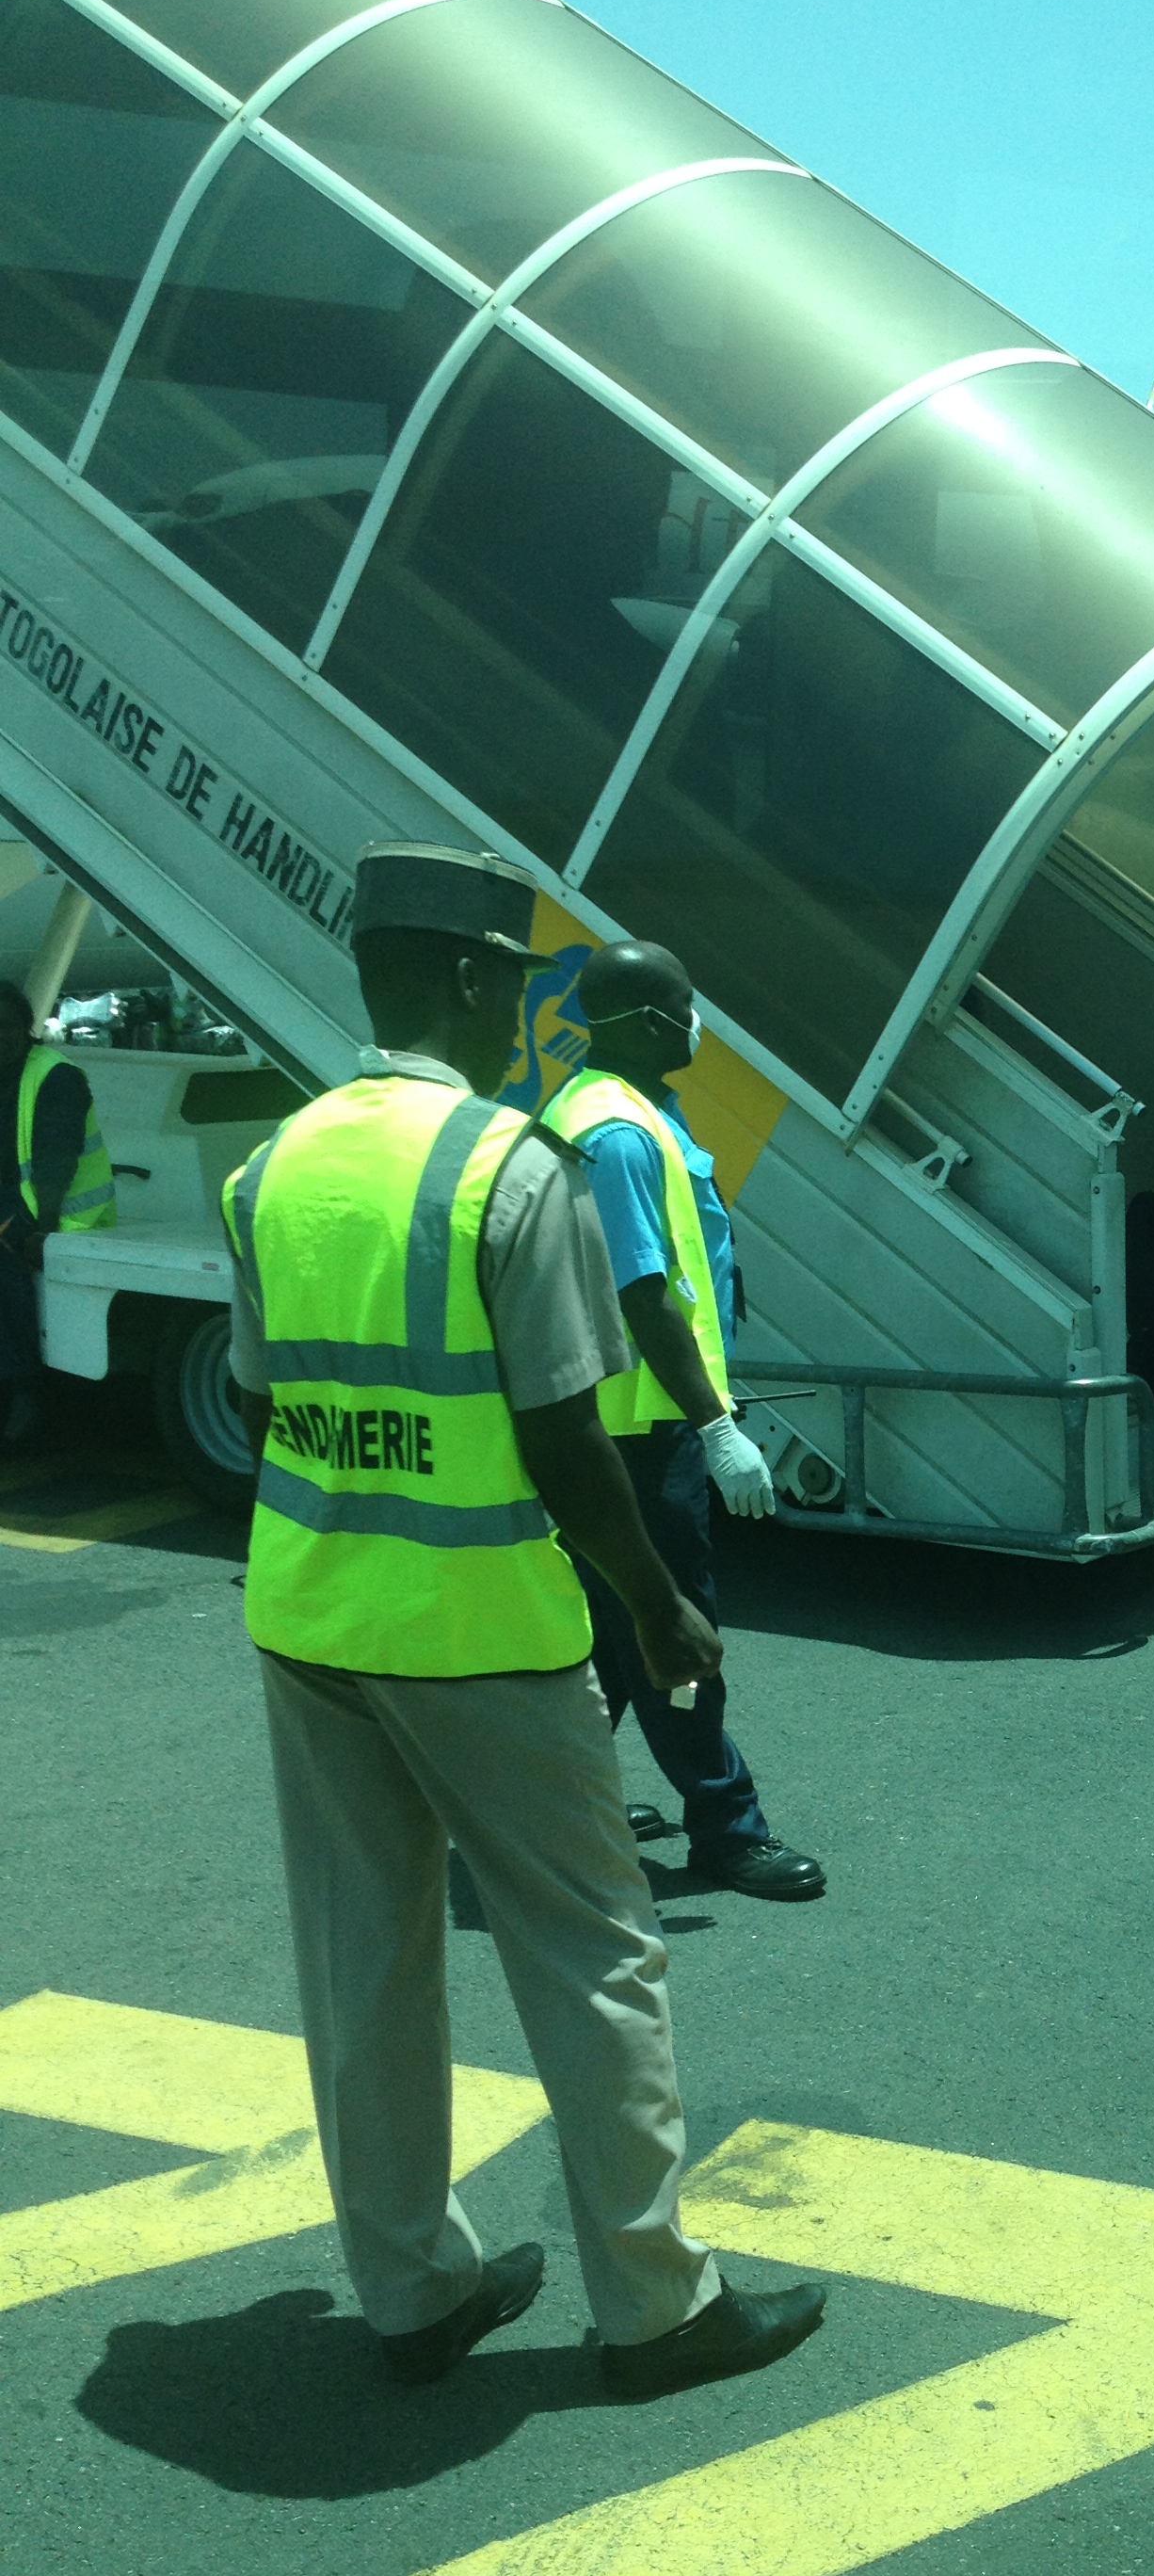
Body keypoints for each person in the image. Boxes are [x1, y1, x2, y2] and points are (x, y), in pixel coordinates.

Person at [223, 843, 825, 2399]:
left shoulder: (273, 1163)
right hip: (479, 1624)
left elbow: (263, 1401)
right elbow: (566, 1437)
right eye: (513, 987)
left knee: (365, 1962)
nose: (522, 1019)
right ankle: (656, 2305)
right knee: (596, 1953)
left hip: (310, 1618)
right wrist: (659, 1606)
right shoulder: (506, 1168)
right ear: (469, 979)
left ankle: (413, 2291)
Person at [541, 941, 825, 1902]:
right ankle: (727, 1831)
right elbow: (643, 1290)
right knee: (674, 1633)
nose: (698, 1023)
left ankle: (560, 1800)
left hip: (620, 1418)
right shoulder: (617, 1132)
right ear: (647, 1021)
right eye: (686, 1006)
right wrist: (713, 1426)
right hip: (640, 1427)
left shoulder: (614, 1106)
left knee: (607, 1636)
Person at [0, 974, 115, 1443]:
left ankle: (23, 1387)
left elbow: (55, 1162)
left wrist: (42, 1232)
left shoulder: (55, 1075)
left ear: (26, 1029)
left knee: (4, 1254)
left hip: (63, 1209)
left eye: (6, 1027)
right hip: (16, 1198)